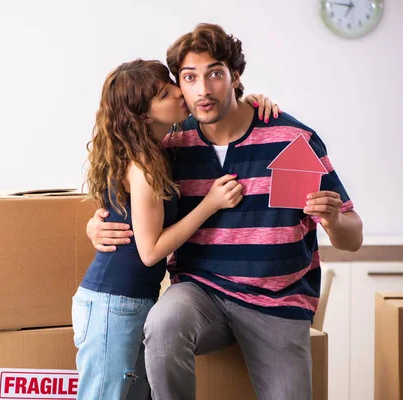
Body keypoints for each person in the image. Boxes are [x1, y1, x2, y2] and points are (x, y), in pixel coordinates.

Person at [86, 24, 363, 400]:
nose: (203, 89)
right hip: (200, 294)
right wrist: (96, 225)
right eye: (189, 78)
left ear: (236, 78)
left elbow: (353, 239)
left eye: (215, 73)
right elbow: (125, 188)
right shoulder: (170, 143)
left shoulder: (290, 139)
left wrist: (332, 219)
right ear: (179, 86)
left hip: (277, 304)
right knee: (163, 324)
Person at [73, 58, 279, 400]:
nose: (181, 95)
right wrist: (210, 204)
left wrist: (250, 102)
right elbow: (151, 251)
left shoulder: (155, 152)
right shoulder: (143, 167)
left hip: (133, 300)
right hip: (113, 303)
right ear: (144, 115)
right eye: (166, 93)